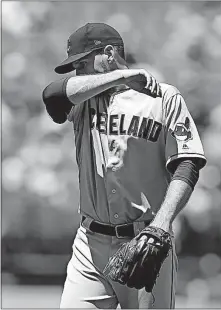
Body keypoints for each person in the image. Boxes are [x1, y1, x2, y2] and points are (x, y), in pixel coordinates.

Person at [42, 23, 206, 309]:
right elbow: (52, 95)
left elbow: (187, 163)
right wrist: (123, 76)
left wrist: (162, 223)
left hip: (147, 241)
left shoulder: (163, 98)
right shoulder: (83, 100)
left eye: (82, 63)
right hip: (90, 245)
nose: (78, 72)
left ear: (108, 53)